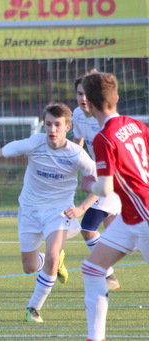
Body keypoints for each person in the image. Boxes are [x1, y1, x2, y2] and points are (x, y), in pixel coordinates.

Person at [0, 102, 97, 323]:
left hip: (58, 212)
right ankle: (52, 261)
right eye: (48, 124)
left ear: (67, 128)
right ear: (43, 124)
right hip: (30, 210)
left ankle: (33, 308)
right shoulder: (34, 144)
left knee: (52, 257)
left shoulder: (77, 155)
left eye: (57, 125)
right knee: (30, 267)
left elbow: (100, 183)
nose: (52, 130)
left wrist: (82, 208)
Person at [80, 72, 149, 341]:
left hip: (143, 213)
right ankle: (95, 338)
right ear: (116, 98)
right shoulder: (136, 124)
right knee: (94, 268)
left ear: (90, 104)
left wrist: (88, 184)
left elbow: (105, 188)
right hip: (129, 216)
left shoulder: (104, 138)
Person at [70, 72, 121, 291]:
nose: (83, 98)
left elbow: (108, 175)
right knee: (114, 236)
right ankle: (107, 276)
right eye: (79, 93)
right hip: (104, 179)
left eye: (86, 93)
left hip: (117, 183)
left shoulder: (108, 127)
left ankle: (108, 277)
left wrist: (82, 205)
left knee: (89, 226)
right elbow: (77, 143)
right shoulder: (78, 115)